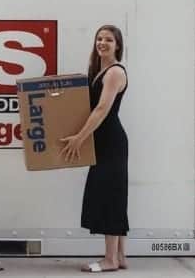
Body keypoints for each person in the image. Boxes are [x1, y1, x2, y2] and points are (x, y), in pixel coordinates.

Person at [60, 25, 129, 273]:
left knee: (110, 197)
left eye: (109, 40)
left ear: (117, 45)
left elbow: (101, 110)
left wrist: (79, 138)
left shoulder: (115, 73)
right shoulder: (98, 71)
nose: (102, 43)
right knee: (113, 196)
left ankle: (109, 260)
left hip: (111, 141)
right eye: (99, 38)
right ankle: (119, 256)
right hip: (102, 141)